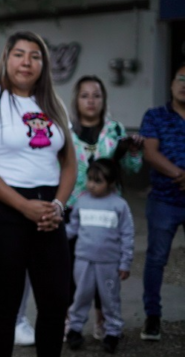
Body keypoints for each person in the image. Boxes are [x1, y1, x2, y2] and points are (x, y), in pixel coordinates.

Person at [0, 30, 77, 357]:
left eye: (35, 56)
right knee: (7, 303)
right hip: (2, 210)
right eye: (19, 54)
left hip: (48, 211)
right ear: (6, 59)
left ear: (44, 63)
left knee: (56, 301)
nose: (26, 62)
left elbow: (70, 165)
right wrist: (24, 207)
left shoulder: (54, 105)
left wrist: (57, 205)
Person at [67, 75, 143, 340]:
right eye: (85, 95)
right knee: (73, 269)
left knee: (104, 269)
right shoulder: (66, 130)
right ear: (76, 100)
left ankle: (103, 318)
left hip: (106, 212)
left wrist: (134, 151)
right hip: (73, 208)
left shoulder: (115, 130)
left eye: (96, 95)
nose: (91, 100)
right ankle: (72, 320)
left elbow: (132, 169)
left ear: (104, 99)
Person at [64, 159, 134, 354]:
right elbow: (72, 229)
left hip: (109, 263)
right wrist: (56, 235)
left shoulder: (119, 205)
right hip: (83, 261)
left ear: (111, 183)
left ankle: (112, 332)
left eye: (98, 181)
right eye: (90, 180)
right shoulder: (81, 201)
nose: (92, 185)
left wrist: (125, 262)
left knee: (109, 299)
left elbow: (127, 235)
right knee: (81, 296)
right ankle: (75, 330)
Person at [139, 63, 185, 341]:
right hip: (164, 201)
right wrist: (180, 174)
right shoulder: (155, 116)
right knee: (156, 259)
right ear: (170, 84)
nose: (184, 84)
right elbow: (149, 152)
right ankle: (152, 316)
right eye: (180, 78)